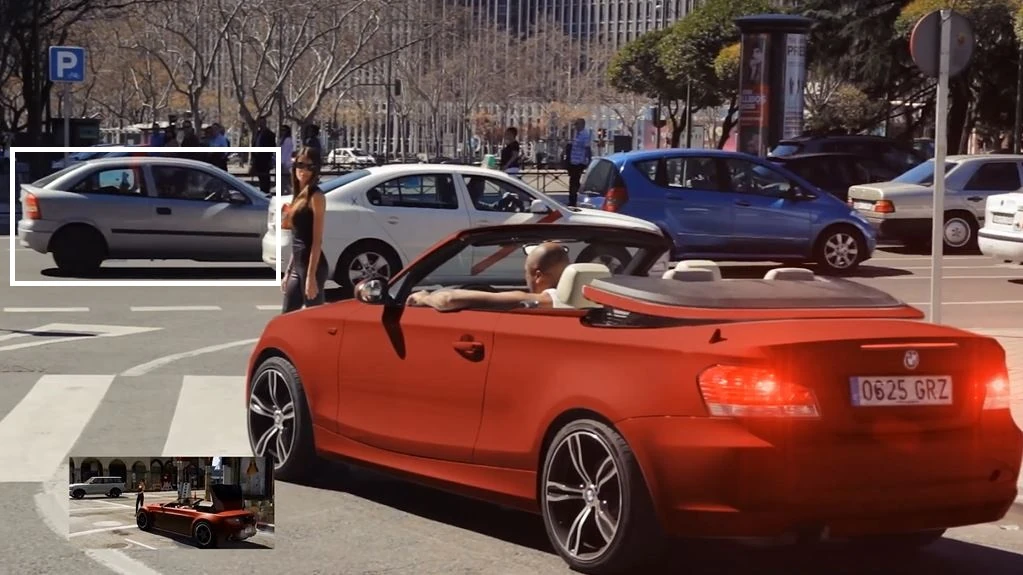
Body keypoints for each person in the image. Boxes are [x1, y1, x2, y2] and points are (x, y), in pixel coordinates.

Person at [407, 242, 571, 312]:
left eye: (526, 272)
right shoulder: (584, 298)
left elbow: (448, 300)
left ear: (538, 276)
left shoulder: (545, 301)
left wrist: (424, 297)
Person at [281, 146, 329, 313]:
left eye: (310, 166)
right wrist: (288, 272)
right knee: (287, 315)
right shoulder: (298, 194)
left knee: (315, 318)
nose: (304, 171)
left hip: (313, 267)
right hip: (297, 265)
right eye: (300, 165)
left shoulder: (316, 196)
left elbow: (316, 241)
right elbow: (297, 239)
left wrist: (311, 277)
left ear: (316, 170)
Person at [565, 118, 592, 207]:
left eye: (577, 124)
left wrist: (588, 160)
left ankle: (573, 200)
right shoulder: (576, 134)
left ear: (582, 125)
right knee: (573, 181)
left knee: (574, 181)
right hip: (573, 161)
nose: (575, 126)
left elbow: (587, 148)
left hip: (579, 162)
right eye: (575, 124)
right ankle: (573, 198)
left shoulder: (585, 135)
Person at [279, 125, 294, 195]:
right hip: (282, 162)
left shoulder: (288, 140)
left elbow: (285, 153)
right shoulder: (282, 140)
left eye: (284, 130)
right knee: (282, 181)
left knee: (285, 180)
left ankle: (292, 193)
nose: (283, 132)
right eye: (282, 130)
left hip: (285, 163)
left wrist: (281, 163)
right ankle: (281, 194)